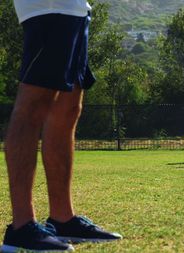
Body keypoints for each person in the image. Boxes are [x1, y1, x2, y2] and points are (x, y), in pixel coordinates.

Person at [2, 1, 122, 252]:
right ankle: (21, 226)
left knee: (68, 110)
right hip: (48, 7)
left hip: (75, 8)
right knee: (33, 106)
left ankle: (62, 218)